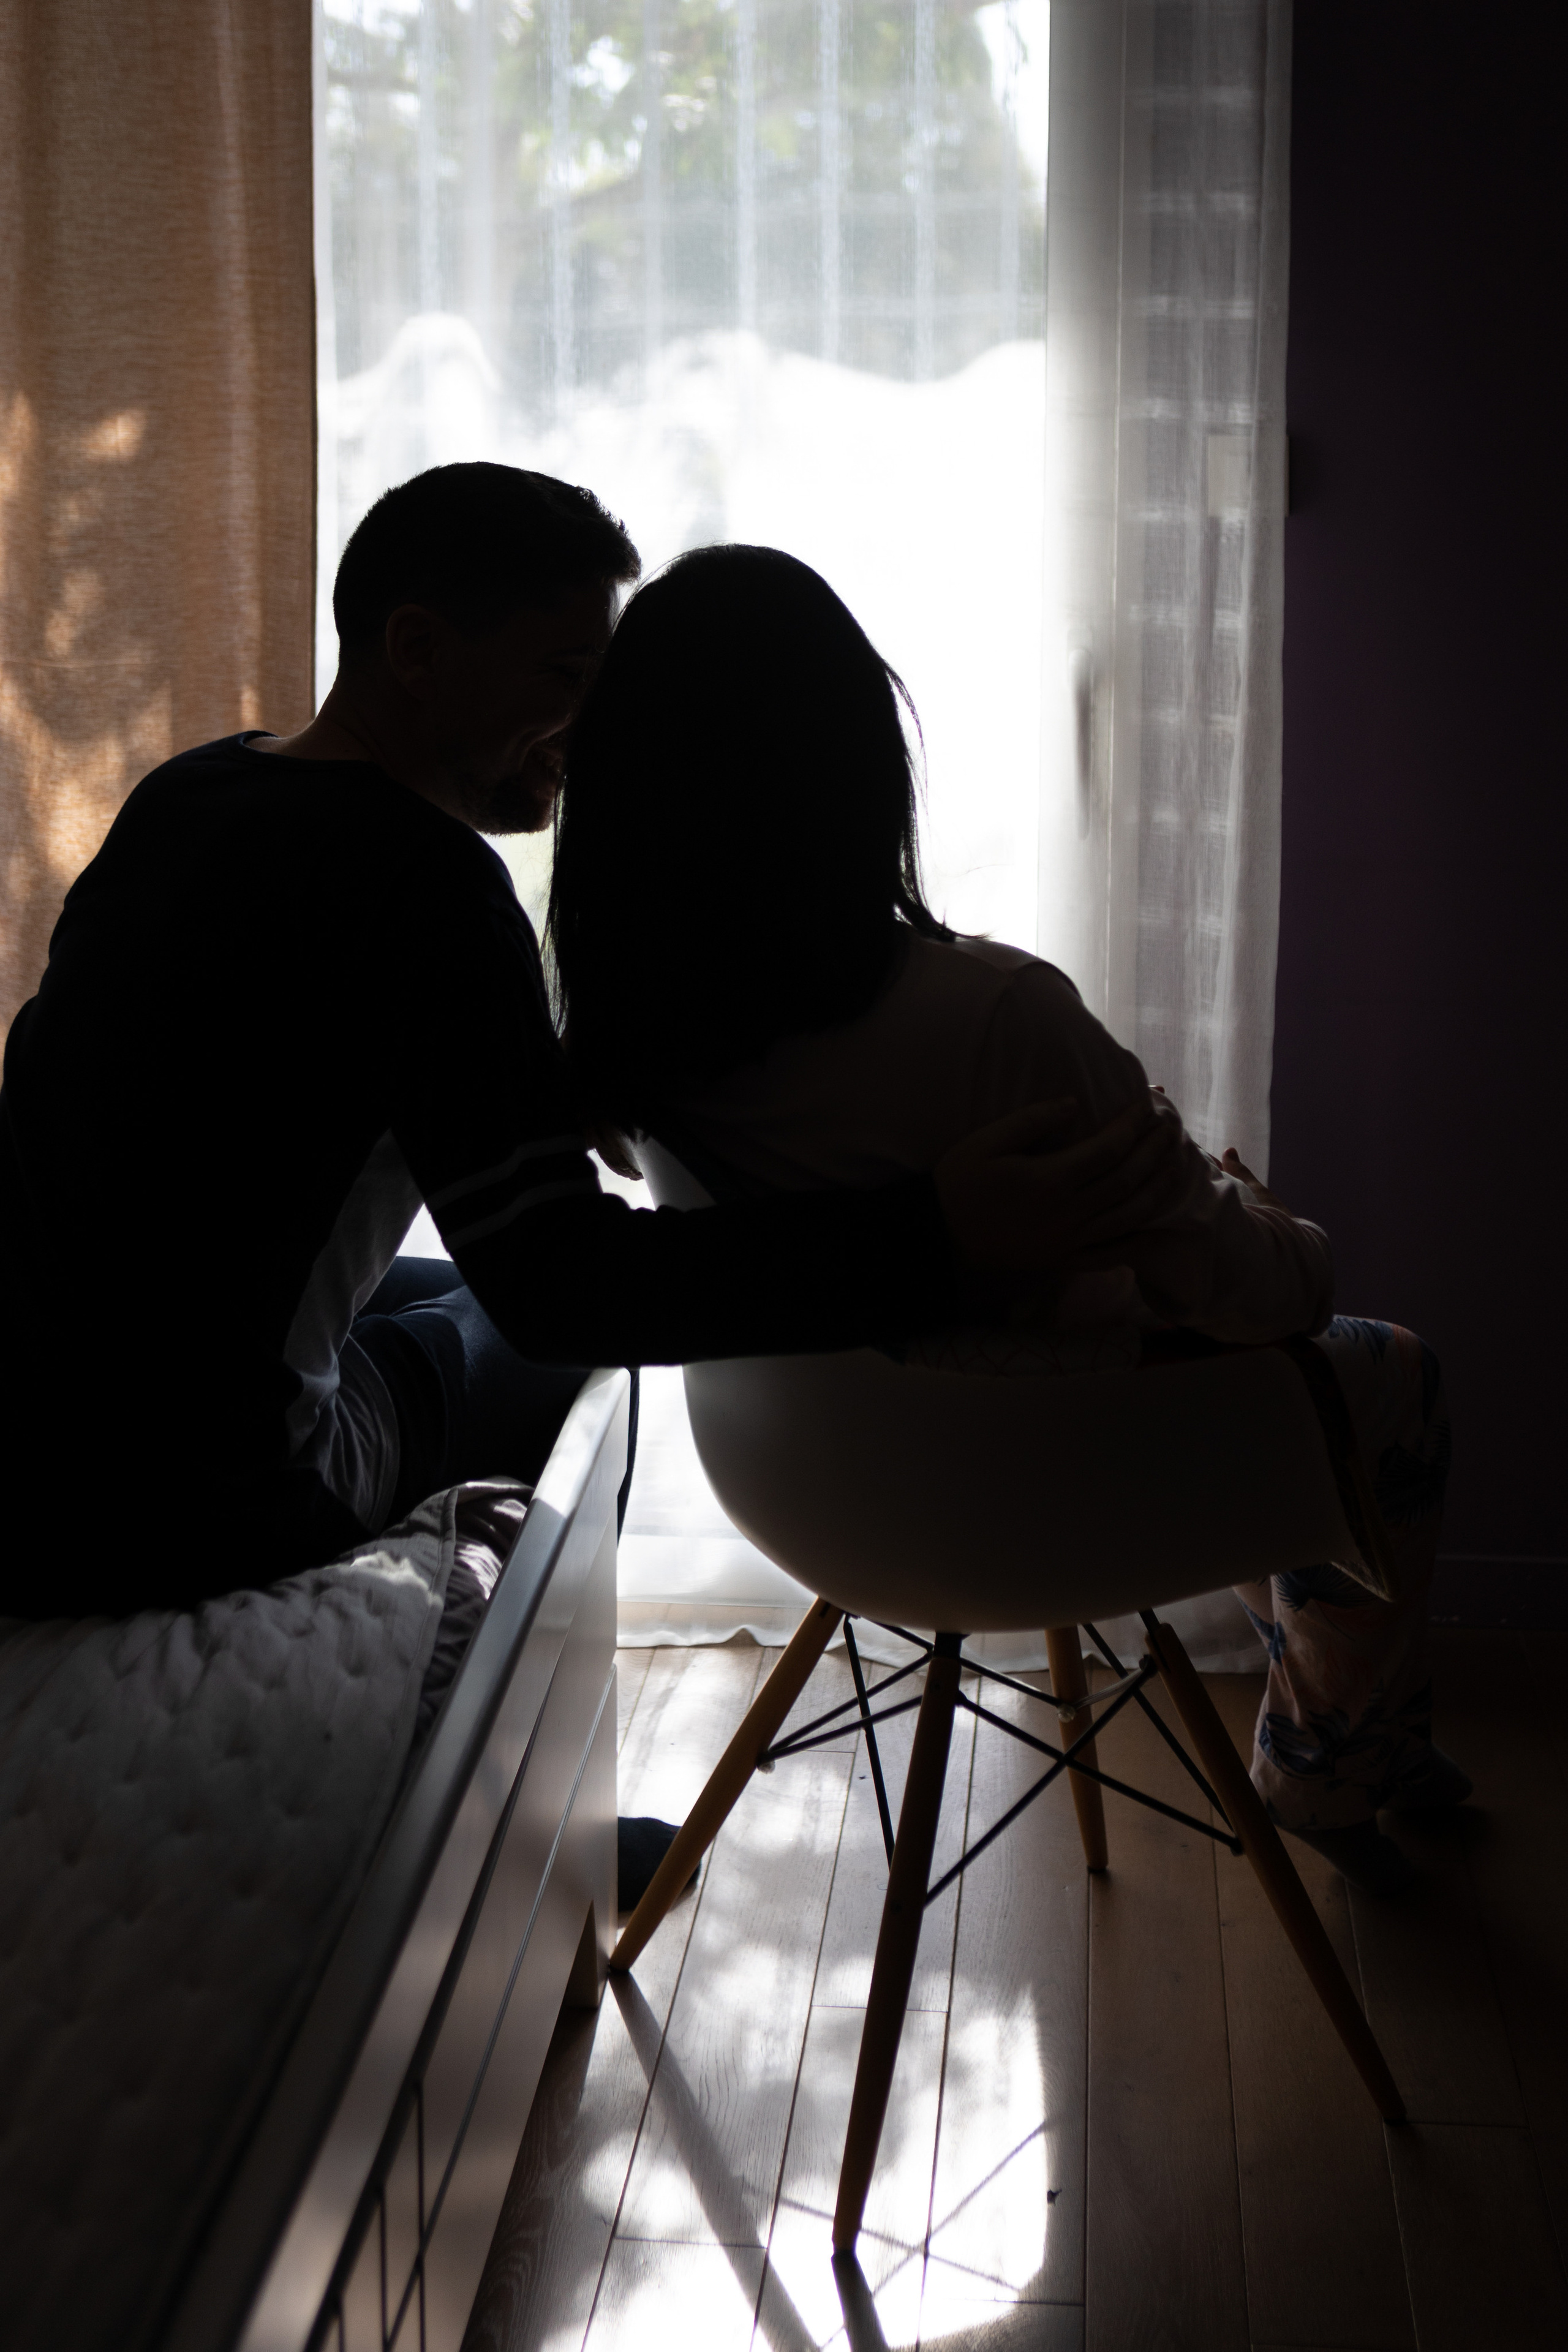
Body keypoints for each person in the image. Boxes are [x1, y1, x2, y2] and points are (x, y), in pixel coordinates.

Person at [0, 466, 1183, 1629]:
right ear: (417, 650)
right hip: (195, 1501)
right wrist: (939, 1232)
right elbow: (565, 1291)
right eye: (568, 678)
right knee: (554, 1364)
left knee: (436, 1296)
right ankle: (549, 1776)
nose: (594, 732)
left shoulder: (194, 793)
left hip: (38, 1434)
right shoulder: (426, 889)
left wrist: (563, 1079)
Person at [549, 543, 1464, 1898]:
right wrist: (1258, 1212)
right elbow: (1263, 1298)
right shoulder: (993, 1018)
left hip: (810, 1482)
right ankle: (1327, 1755)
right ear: (856, 770)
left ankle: (1361, 1733)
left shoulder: (626, 1029)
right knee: (1387, 1370)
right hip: (1039, 1469)